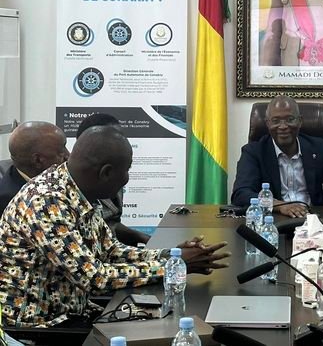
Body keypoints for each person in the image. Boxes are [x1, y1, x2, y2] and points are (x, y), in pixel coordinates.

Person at [0, 126, 230, 328]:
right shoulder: (46, 203)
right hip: (43, 326)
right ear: (106, 172)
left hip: (74, 312)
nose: (127, 178)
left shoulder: (74, 188)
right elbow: (95, 279)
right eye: (127, 169)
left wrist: (170, 254)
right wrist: (172, 266)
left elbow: (111, 252)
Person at [231, 95, 323, 218]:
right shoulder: (253, 152)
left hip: (313, 220)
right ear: (267, 124)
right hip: (273, 222)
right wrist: (280, 206)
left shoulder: (319, 148)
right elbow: (241, 194)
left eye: (290, 119)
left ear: (300, 121)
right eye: (275, 121)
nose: (283, 126)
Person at [76, 112, 150, 246]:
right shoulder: (54, 199)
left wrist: (163, 254)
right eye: (112, 139)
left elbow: (111, 231)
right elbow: (86, 266)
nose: (121, 143)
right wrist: (162, 264)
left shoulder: (115, 173)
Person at [0, 121, 69, 214]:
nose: (68, 156)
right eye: (61, 152)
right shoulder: (10, 202)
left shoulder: (57, 183)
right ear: (38, 160)